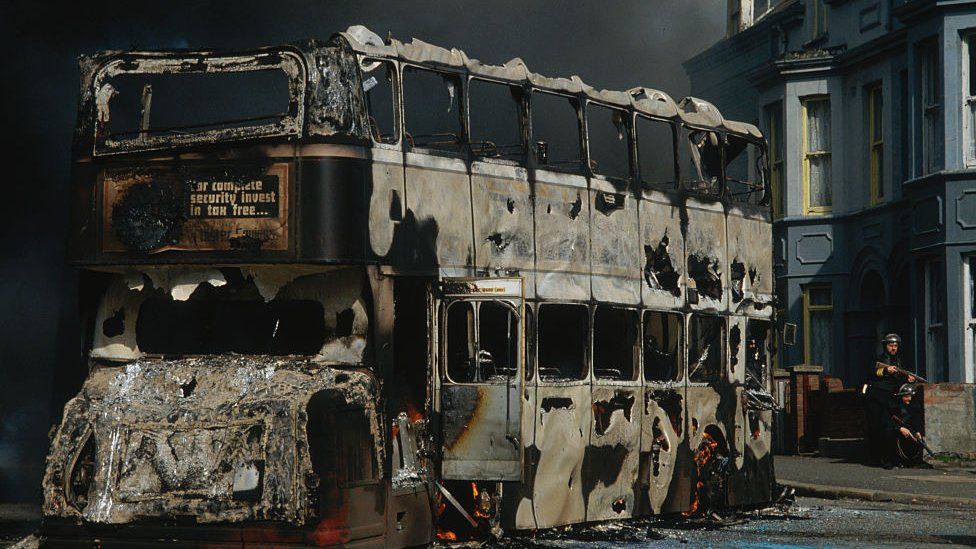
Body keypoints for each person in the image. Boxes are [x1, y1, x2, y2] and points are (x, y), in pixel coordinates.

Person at [863, 333, 916, 466]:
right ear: (885, 346)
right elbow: (871, 372)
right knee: (875, 428)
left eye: (895, 345)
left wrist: (908, 379)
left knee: (890, 428)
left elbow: (899, 380)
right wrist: (886, 370)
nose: (893, 348)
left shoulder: (900, 361)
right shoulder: (878, 359)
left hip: (891, 399)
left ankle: (890, 459)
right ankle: (875, 458)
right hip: (876, 397)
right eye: (891, 345)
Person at [879, 384, 927, 469]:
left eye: (910, 396)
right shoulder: (890, 405)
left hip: (908, 430)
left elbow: (916, 420)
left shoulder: (913, 406)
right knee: (889, 433)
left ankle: (913, 462)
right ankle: (891, 462)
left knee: (918, 440)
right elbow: (885, 420)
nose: (909, 399)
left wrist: (918, 431)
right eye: (906, 396)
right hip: (894, 429)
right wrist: (900, 428)